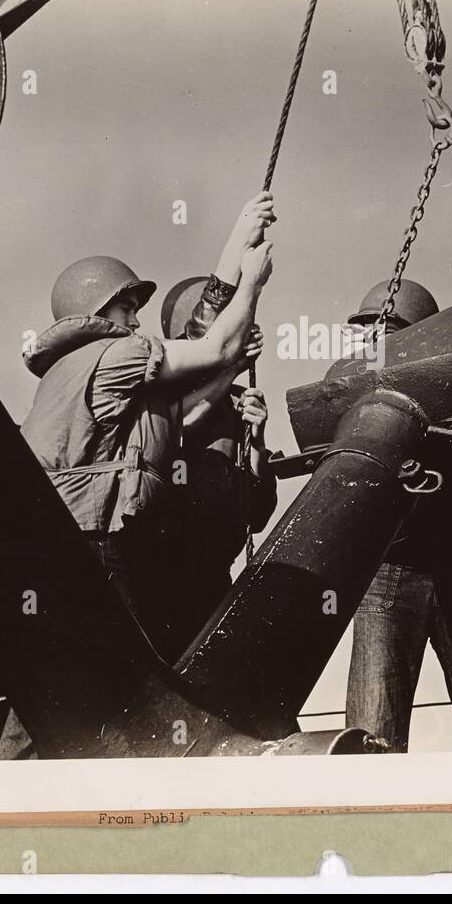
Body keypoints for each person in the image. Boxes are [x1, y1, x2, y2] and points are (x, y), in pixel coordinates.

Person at [0, 195, 274, 758]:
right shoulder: (114, 356)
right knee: (107, 694)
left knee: (57, 693)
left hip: (68, 550)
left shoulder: (78, 373)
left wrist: (235, 240)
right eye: (128, 308)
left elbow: (187, 410)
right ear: (100, 313)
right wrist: (251, 283)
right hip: (98, 553)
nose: (138, 321)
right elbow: (214, 345)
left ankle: (15, 789)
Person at [342, 278, 452, 754]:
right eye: (366, 330)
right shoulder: (350, 395)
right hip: (394, 565)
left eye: (382, 329)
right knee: (375, 728)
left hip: (451, 564)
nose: (370, 340)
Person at [154, 273, 279, 662]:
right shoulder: (159, 397)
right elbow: (178, 426)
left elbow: (256, 514)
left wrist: (256, 440)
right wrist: (232, 370)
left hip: (214, 583)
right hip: (160, 582)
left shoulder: (238, 409)